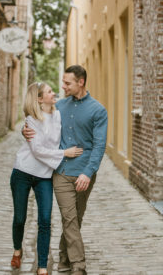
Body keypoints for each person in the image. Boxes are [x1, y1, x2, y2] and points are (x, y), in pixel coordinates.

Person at [23, 65, 108, 275]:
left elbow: (99, 146)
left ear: (81, 82)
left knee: (76, 219)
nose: (63, 86)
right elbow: (36, 118)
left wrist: (88, 173)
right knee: (69, 219)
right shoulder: (58, 106)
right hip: (61, 172)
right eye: (63, 82)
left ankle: (64, 257)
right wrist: (24, 129)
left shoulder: (98, 110)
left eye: (67, 83)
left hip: (84, 173)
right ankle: (79, 266)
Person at [10, 82, 83, 275]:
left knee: (44, 220)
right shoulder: (32, 119)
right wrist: (64, 153)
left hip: (45, 176)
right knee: (20, 218)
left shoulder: (58, 115)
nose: (54, 93)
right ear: (40, 99)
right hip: (23, 172)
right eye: (50, 91)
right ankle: (17, 249)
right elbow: (37, 150)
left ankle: (42, 267)